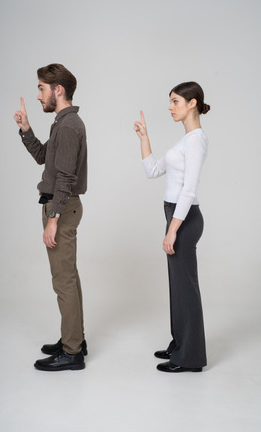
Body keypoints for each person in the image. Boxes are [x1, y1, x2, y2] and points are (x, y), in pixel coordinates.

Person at [14, 64, 88, 371]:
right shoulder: (62, 123)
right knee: (68, 279)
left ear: (58, 90)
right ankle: (74, 340)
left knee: (63, 282)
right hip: (61, 206)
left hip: (61, 207)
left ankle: (72, 353)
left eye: (42, 88)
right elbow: (45, 158)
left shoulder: (69, 126)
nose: (39, 95)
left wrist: (53, 218)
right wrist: (26, 129)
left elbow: (66, 177)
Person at [134, 81, 209, 373]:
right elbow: (152, 170)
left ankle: (190, 358)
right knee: (178, 288)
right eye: (170, 101)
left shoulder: (196, 139)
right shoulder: (185, 140)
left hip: (185, 218)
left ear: (192, 103)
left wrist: (173, 229)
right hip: (176, 216)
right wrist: (144, 137)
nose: (170, 107)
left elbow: (188, 190)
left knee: (185, 289)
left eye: (175, 101)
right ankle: (179, 344)